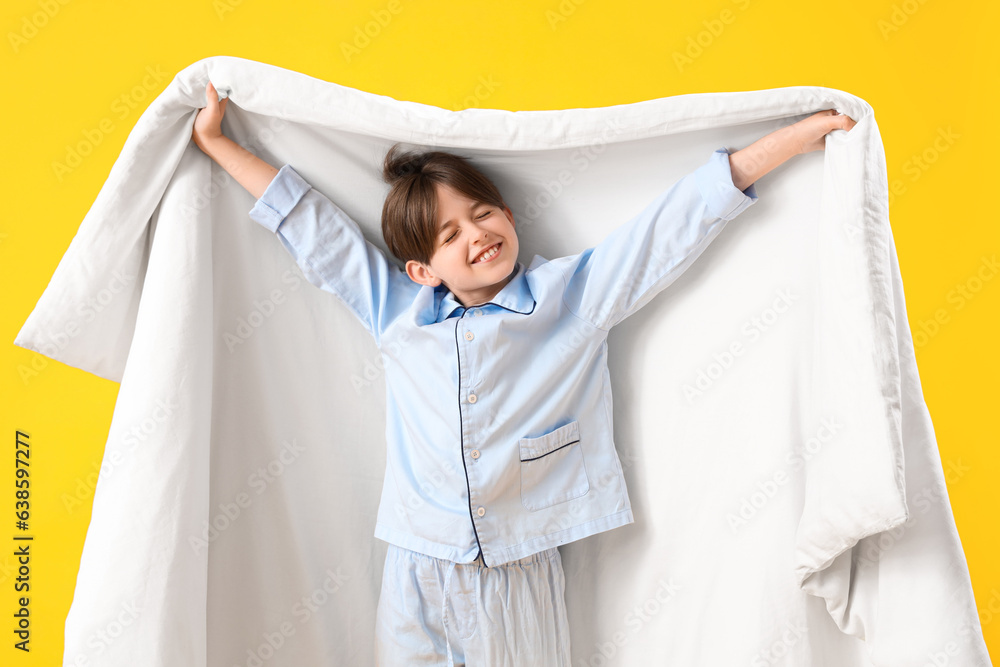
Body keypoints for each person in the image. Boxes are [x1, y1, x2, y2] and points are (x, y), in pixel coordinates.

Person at [192, 80, 856, 666]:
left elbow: (669, 226)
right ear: (423, 271)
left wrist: (794, 141)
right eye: (449, 235)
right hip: (415, 567)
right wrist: (220, 145)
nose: (475, 234)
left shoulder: (570, 299)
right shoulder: (397, 314)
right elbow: (317, 230)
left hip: (517, 569)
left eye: (482, 214)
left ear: (509, 217)